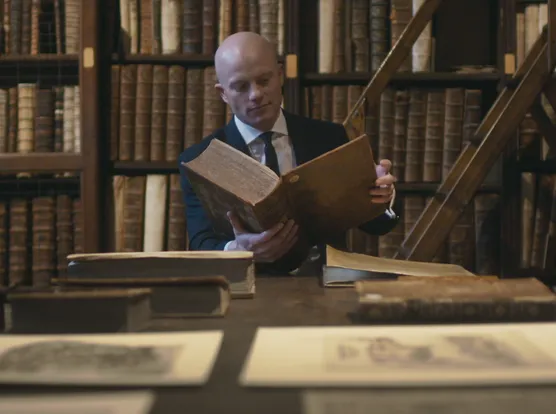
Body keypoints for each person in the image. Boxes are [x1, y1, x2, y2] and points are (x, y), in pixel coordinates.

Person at [178, 31, 398, 273]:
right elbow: (201, 244)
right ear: (223, 94)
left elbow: (377, 226)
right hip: (251, 296)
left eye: (264, 81)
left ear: (280, 75)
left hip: (324, 293)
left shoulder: (329, 137)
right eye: (241, 87)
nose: (256, 95)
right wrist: (239, 251)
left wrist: (379, 196)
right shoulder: (200, 160)